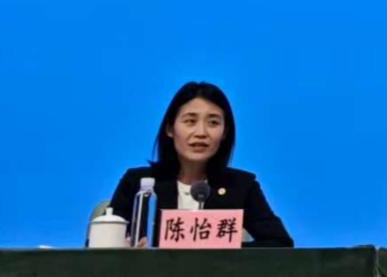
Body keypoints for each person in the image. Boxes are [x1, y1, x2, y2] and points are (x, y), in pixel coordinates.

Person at [107, 80, 293, 247]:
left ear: (225, 132)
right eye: (190, 121)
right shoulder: (137, 183)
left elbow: (280, 244)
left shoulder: (242, 186)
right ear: (170, 128)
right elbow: (101, 243)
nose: (201, 132)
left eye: (213, 123)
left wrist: (225, 250)